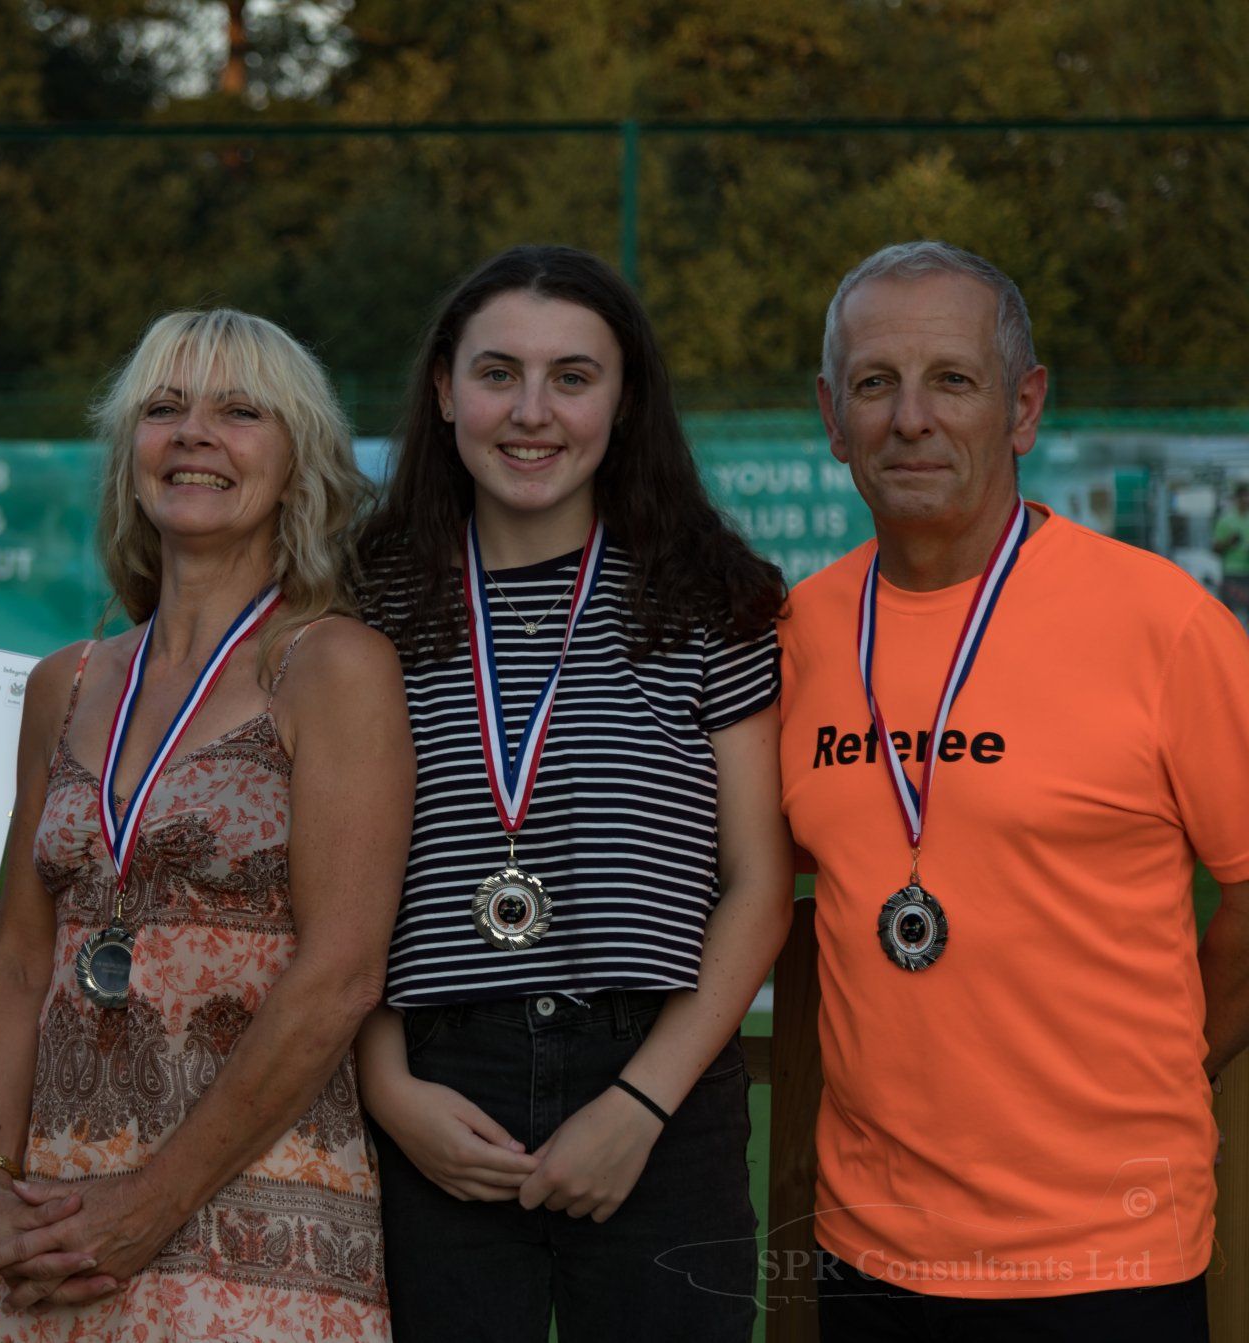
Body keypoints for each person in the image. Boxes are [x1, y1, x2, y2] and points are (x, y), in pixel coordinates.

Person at [782, 240, 1249, 1340]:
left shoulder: (1164, 624)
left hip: (1111, 1250)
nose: (911, 419)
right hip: (873, 1248)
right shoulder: (800, 633)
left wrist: (1171, 1066)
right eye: (875, 383)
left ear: (1024, 406)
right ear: (833, 417)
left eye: (953, 379)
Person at [352, 244, 793, 1342]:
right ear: (444, 390)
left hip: (656, 1079)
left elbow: (757, 881)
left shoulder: (712, 598)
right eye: (498, 373)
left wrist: (640, 1105)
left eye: (573, 377)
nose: (532, 412)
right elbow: (331, 885)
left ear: (624, 398)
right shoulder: (363, 604)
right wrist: (388, 1088)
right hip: (434, 1084)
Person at [0, 308, 413, 1342]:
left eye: (240, 411)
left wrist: (153, 1202)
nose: (195, 432)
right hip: (54, 1224)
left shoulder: (334, 666)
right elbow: (22, 956)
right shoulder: (66, 684)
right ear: (130, 454)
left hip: (260, 1224)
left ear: (298, 464)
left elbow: (342, 973)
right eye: (164, 408)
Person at [1213, 480, 1249, 627]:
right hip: (1232, 572)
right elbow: (1215, 549)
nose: (1247, 500)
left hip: (1247, 572)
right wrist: (1229, 542)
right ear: (1237, 498)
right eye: (1244, 496)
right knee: (1230, 614)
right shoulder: (1226, 520)